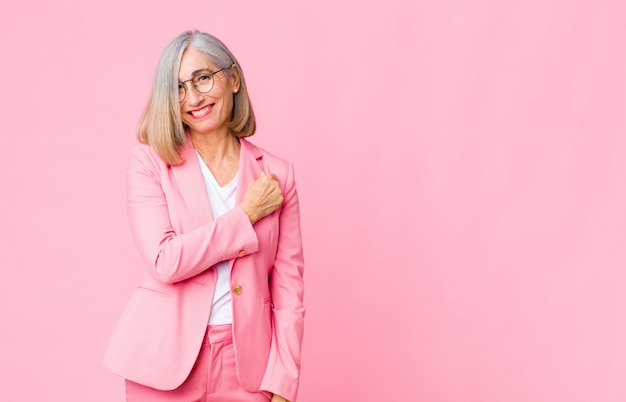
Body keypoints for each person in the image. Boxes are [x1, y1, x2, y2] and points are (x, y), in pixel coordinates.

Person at [103, 30, 305, 402]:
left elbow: (289, 289)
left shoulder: (276, 175)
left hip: (248, 367)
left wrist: (283, 382)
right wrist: (246, 215)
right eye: (178, 87)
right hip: (164, 364)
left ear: (233, 78)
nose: (193, 98)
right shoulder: (148, 163)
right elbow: (166, 260)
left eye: (203, 78)